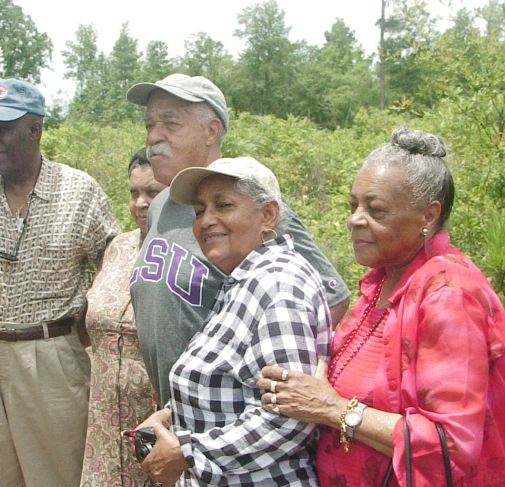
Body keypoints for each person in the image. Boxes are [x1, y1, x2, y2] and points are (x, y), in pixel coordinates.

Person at [257, 127, 505, 487]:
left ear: (428, 216)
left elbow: (451, 444)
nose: (355, 220)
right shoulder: (382, 283)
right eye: (353, 206)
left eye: (375, 209)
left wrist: (332, 409)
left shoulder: (448, 295)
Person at [0, 79, 120, 487]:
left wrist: (80, 332)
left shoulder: (78, 191)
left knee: (56, 476)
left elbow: (114, 271)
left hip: (50, 359)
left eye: (1, 128)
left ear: (34, 129)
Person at [125, 73, 350, 409]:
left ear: (211, 131)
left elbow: (331, 298)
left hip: (232, 425)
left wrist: (260, 385)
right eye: (149, 125)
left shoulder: (249, 205)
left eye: (170, 124)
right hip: (174, 415)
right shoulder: (159, 206)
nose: (154, 137)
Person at [140, 156, 331, 486]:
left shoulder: (278, 286)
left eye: (224, 205)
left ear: (268, 214)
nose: (206, 221)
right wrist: (171, 415)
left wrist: (188, 453)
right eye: (199, 211)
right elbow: (230, 381)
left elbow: (290, 416)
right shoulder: (242, 280)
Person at [81, 148, 166, 487]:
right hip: (102, 416)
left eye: (153, 192)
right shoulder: (118, 246)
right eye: (134, 193)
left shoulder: (188, 249)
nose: (141, 203)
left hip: (152, 415)